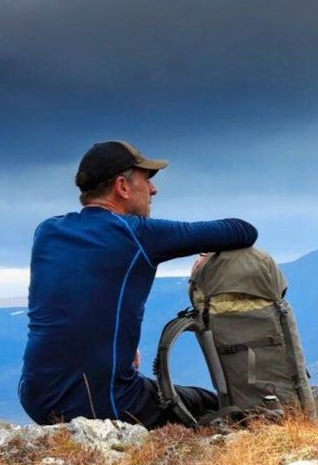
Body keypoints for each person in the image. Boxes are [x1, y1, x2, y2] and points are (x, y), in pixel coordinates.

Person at [19, 140, 258, 428]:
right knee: (218, 407)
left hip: (35, 395)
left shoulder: (47, 231)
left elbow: (74, 295)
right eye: (147, 180)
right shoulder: (135, 235)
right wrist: (207, 256)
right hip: (101, 400)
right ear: (122, 186)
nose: (154, 190)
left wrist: (117, 345)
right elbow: (242, 230)